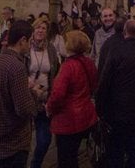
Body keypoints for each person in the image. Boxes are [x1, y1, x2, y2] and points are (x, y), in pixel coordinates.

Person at [96, 18, 135, 168]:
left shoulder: (116, 50)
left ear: (125, 31)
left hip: (118, 108)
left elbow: (105, 79)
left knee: (117, 148)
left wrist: (100, 106)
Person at [0, 19, 39, 168]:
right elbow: (24, 109)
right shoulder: (17, 67)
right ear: (22, 40)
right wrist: (34, 94)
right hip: (13, 144)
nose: (31, 45)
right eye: (30, 41)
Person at [46, 29, 98, 168]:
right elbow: (94, 85)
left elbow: (58, 95)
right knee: (73, 155)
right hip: (86, 116)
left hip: (68, 120)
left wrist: (49, 107)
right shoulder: (89, 62)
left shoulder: (68, 67)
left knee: (66, 159)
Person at [27, 20, 61, 168]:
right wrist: (30, 85)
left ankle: (36, 164)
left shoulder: (51, 49)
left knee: (44, 139)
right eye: (38, 28)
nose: (40, 31)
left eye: (43, 28)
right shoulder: (26, 48)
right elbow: (20, 70)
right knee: (23, 138)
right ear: (33, 30)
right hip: (27, 98)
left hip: (44, 100)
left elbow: (56, 71)